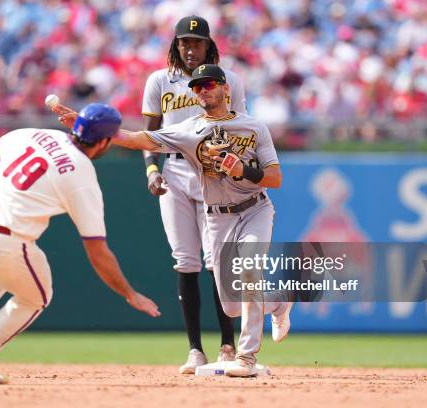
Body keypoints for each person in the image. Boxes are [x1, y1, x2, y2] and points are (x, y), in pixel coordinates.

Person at [54, 65, 292, 377]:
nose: (203, 90)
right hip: (218, 217)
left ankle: (245, 359)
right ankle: (277, 302)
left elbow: (275, 178)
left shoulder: (253, 128)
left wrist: (244, 170)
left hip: (254, 209)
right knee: (232, 305)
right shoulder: (189, 131)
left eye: (209, 84)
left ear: (225, 89)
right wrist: (89, 127)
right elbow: (138, 139)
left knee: (248, 271)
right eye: (197, 87)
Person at [0, 103, 161, 384]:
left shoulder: (37, 134)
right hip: (2, 241)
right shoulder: (81, 174)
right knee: (37, 297)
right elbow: (97, 250)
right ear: (105, 141)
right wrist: (130, 293)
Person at [141, 15, 246, 374]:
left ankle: (228, 344)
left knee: (218, 260)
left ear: (209, 45)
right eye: (184, 42)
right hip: (174, 171)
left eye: (197, 42)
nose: (190, 48)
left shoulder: (228, 80)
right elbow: (149, 134)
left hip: (213, 174)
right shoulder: (159, 80)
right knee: (185, 260)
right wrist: (151, 169)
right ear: (175, 44)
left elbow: (241, 128)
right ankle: (195, 350)